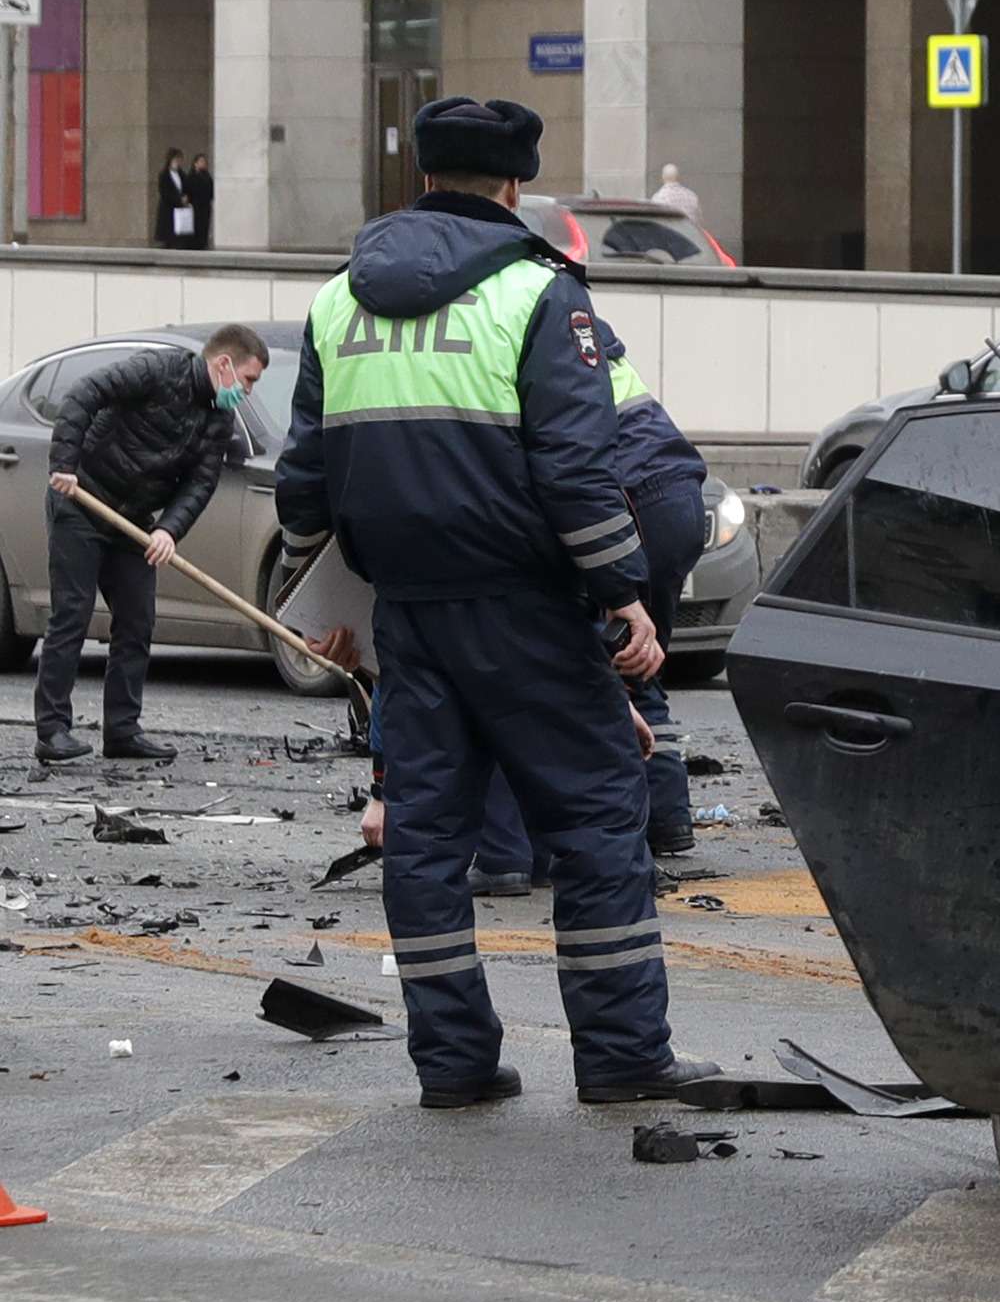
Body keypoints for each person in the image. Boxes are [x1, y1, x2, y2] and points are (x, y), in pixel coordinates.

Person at [273, 94, 714, 1111]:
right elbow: (574, 470)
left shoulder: (338, 298)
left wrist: (312, 598)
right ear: (514, 185)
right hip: (526, 610)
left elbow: (304, 482)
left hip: (410, 615)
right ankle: (620, 1053)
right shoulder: (539, 293)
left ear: (420, 175)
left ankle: (457, 1064)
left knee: (426, 842)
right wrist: (623, 597)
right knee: (603, 813)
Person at [467, 317, 710, 896]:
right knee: (635, 666)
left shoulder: (510, 332)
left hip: (618, 500)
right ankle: (664, 816)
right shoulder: (579, 332)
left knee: (537, 667)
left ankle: (533, 851)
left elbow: (562, 469)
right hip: (679, 493)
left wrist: (614, 589)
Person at [35, 325, 269, 763]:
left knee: (138, 622)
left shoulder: (218, 417)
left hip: (132, 522)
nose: (248, 391)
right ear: (224, 364)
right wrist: (64, 463)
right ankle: (52, 731)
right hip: (82, 500)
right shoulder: (159, 370)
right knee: (72, 615)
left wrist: (169, 530)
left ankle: (122, 731)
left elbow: (201, 482)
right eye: (249, 380)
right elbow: (87, 392)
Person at [153, 152, 191, 248]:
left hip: (179, 208)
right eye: (176, 160)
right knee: (168, 235)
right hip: (168, 208)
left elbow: (186, 188)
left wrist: (186, 197)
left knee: (179, 236)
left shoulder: (182, 174)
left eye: (179, 160)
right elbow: (164, 192)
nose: (178, 162)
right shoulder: (164, 175)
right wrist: (178, 200)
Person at [184, 154, 217, 251]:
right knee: (195, 227)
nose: (203, 164)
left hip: (205, 206)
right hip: (194, 206)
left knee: (204, 227)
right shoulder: (190, 177)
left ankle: (203, 244)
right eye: (201, 162)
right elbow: (187, 191)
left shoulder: (207, 177)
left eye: (204, 162)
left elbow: (211, 191)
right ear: (195, 163)